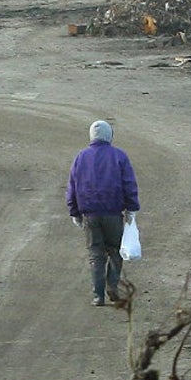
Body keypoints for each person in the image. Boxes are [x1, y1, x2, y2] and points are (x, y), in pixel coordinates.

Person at [67, 119, 140, 308]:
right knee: (115, 251)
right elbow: (129, 184)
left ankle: (98, 296)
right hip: (113, 213)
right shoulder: (119, 156)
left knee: (96, 256)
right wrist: (131, 208)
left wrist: (74, 212)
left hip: (90, 215)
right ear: (110, 135)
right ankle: (112, 286)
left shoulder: (80, 157)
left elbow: (72, 187)